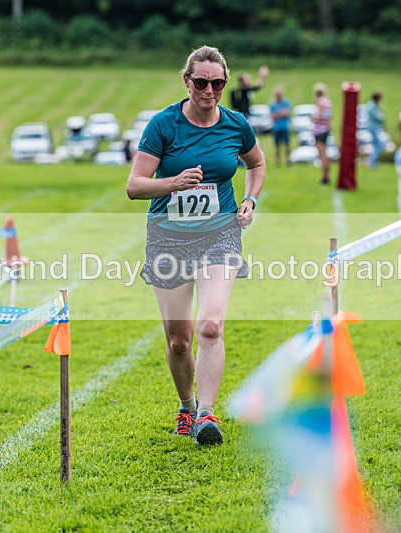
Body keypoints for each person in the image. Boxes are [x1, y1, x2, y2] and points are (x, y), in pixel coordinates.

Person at [126, 45, 266, 446]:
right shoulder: (163, 125)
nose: (210, 90)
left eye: (217, 82)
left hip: (219, 233)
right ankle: (186, 407)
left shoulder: (236, 125)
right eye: (201, 82)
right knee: (179, 339)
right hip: (168, 236)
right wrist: (173, 183)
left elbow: (256, 164)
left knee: (210, 325)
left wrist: (250, 200)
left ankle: (207, 414)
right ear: (186, 81)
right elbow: (134, 186)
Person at [312, 83, 332, 184]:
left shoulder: (319, 102)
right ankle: (327, 176)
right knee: (325, 154)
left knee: (322, 155)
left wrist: (312, 118)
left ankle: (324, 177)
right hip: (326, 129)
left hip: (319, 130)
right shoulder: (328, 102)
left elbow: (319, 117)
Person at [269, 87, 291, 166]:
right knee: (277, 145)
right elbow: (272, 116)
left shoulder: (286, 103)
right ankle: (278, 161)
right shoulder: (272, 105)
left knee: (287, 144)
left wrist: (277, 114)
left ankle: (288, 159)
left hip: (285, 127)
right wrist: (281, 114)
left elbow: (287, 113)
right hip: (276, 128)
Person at [365, 91, 386, 169]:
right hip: (373, 128)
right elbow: (379, 117)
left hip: (375, 128)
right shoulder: (372, 107)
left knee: (376, 145)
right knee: (379, 145)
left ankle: (372, 161)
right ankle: (371, 162)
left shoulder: (374, 106)